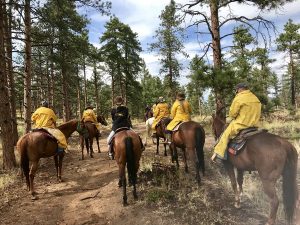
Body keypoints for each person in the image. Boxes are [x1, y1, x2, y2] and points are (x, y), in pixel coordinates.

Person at [211, 83, 262, 162]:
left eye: (236, 90)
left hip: (241, 124)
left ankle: (220, 156)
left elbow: (232, 114)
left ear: (240, 89)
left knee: (225, 135)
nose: (236, 92)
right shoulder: (255, 98)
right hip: (254, 125)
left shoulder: (239, 98)